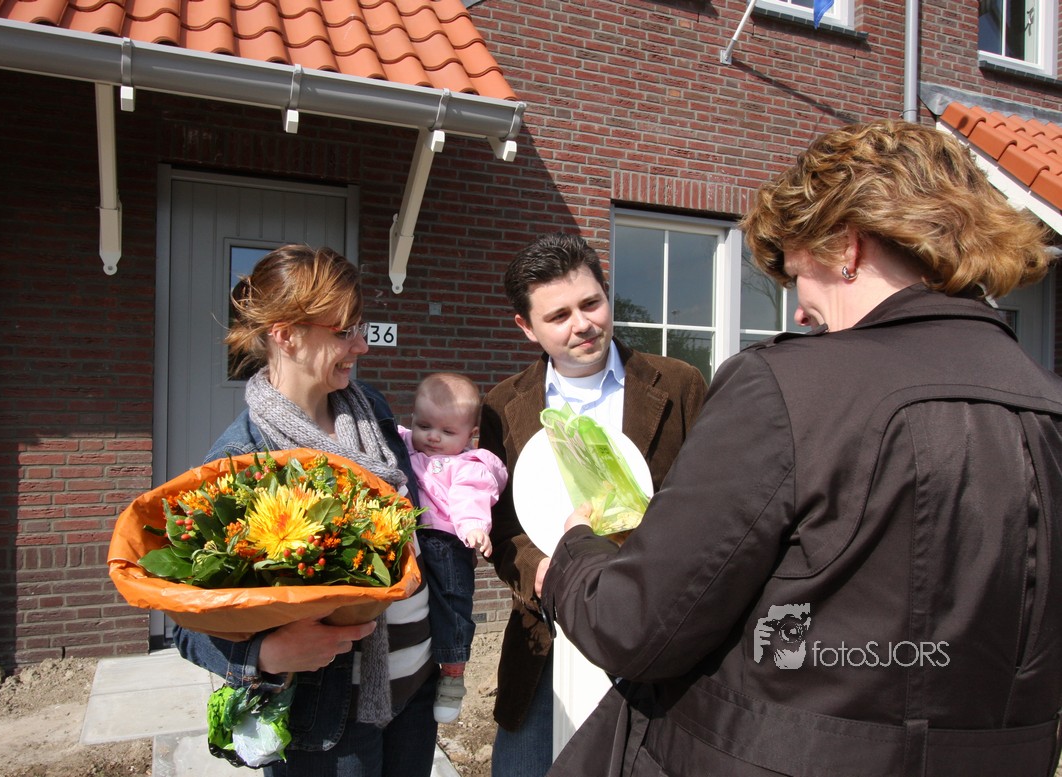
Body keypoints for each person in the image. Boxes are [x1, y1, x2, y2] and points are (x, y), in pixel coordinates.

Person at [540, 119, 1062, 776]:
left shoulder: (789, 388)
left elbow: (638, 626)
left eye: (795, 274)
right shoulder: (1047, 401)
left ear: (846, 244)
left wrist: (573, 556)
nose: (798, 311)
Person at [173, 244, 438, 777]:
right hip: (330, 725)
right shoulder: (242, 458)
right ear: (285, 334)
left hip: (414, 690)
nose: (361, 345)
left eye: (360, 328)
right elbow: (184, 620)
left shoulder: (370, 410)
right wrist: (264, 656)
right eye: (343, 332)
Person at [479, 232, 708, 777]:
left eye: (591, 303)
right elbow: (500, 523)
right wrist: (537, 570)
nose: (582, 324)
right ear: (526, 326)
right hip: (548, 636)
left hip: (657, 630)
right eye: (558, 315)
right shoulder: (502, 405)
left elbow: (712, 500)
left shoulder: (680, 385)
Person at [398, 372, 509, 724]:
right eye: (424, 425)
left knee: (452, 604)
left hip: (447, 543)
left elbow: (468, 497)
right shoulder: (405, 446)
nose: (433, 437)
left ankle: (452, 672)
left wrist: (473, 527)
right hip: (411, 539)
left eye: (447, 432)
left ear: (469, 435)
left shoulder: (466, 466)